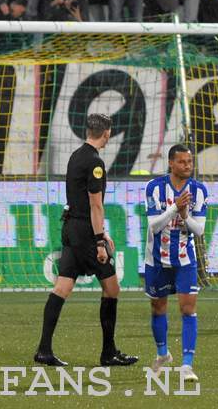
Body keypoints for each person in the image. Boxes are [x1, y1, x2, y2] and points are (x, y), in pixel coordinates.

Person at [34, 114, 138, 367]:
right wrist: (100, 240)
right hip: (84, 232)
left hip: (70, 227)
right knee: (112, 289)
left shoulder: (76, 155)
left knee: (62, 287)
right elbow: (95, 205)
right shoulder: (95, 162)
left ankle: (44, 350)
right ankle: (108, 352)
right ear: (107, 133)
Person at [145, 144, 208, 382]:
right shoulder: (154, 187)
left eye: (190, 162)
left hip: (185, 259)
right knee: (158, 308)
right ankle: (162, 354)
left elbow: (199, 231)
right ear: (171, 163)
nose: (187, 166)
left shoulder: (199, 190)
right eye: (182, 162)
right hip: (157, 259)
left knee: (188, 309)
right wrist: (175, 208)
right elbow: (154, 225)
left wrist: (184, 215)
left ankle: (187, 366)